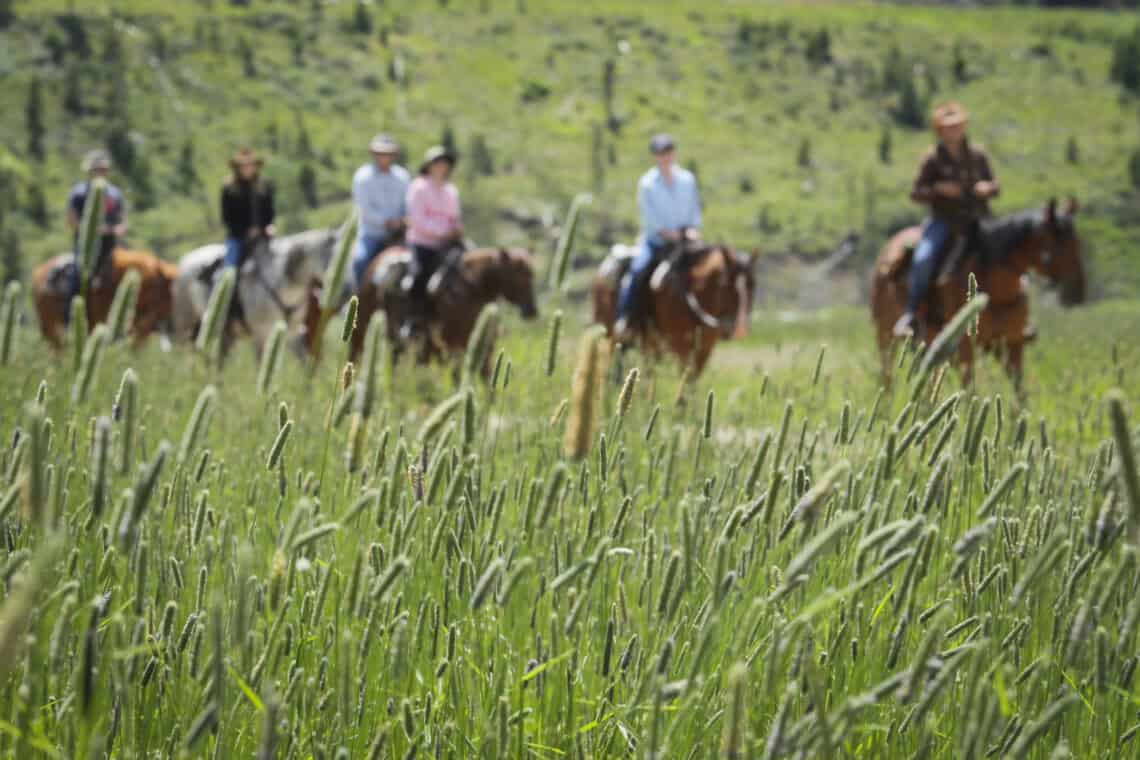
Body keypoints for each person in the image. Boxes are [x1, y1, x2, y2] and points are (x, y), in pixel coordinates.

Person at [894, 102, 999, 338]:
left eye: (958, 126)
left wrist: (987, 188)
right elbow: (916, 192)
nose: (954, 131)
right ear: (940, 130)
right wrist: (939, 189)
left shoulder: (977, 155)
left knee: (1009, 254)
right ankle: (911, 312)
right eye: (949, 127)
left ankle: (1018, 313)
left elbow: (996, 186)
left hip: (978, 220)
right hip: (944, 222)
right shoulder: (932, 159)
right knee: (923, 259)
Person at [614, 133, 701, 341]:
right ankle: (624, 318)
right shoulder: (647, 183)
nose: (666, 157)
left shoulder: (687, 180)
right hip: (656, 241)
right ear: (655, 156)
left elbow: (694, 209)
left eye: (669, 152)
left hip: (685, 240)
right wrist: (667, 233)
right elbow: (649, 217)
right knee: (638, 270)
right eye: (661, 153)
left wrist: (692, 229)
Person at [403, 145, 463, 334]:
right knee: (419, 275)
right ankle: (413, 319)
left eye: (446, 164)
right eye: (438, 163)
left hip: (447, 244)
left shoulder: (451, 191)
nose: (442, 168)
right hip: (422, 243)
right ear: (429, 165)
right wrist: (444, 232)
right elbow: (418, 220)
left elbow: (454, 216)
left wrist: (456, 229)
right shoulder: (418, 187)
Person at [351, 134, 410, 288]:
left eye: (387, 154)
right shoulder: (363, 177)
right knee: (360, 260)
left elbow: (407, 204)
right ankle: (359, 295)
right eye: (380, 154)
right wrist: (388, 221)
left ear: (393, 155)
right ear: (374, 155)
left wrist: (404, 219)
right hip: (371, 233)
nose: (384, 157)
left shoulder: (402, 176)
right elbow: (364, 209)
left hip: (399, 234)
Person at [66, 149, 127, 297]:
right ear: (89, 171)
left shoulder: (114, 194)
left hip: (111, 245)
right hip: (85, 246)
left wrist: (115, 229)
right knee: (77, 277)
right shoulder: (78, 193)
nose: (99, 173)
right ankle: (71, 311)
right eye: (96, 170)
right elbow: (72, 221)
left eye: (103, 170)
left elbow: (122, 220)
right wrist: (94, 230)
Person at [220, 148, 276, 272]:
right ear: (237, 168)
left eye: (250, 164)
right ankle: (227, 289)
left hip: (263, 234)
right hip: (237, 237)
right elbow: (227, 218)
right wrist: (246, 231)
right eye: (244, 165)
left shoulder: (265, 186)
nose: (248, 168)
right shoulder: (229, 189)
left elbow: (270, 211)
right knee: (229, 270)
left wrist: (267, 226)